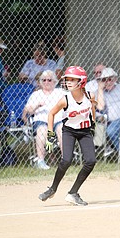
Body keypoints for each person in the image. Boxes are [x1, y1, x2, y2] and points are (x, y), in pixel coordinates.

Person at [38, 66, 97, 206]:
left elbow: (92, 108)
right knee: (66, 160)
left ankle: (73, 193)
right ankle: (52, 189)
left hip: (85, 131)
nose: (68, 82)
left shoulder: (90, 96)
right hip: (69, 131)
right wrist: (51, 133)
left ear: (81, 82)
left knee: (91, 161)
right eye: (67, 79)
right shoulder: (65, 99)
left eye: (72, 79)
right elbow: (51, 114)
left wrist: (93, 123)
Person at [22, 70, 64, 170]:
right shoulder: (36, 94)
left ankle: (65, 160)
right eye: (43, 80)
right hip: (41, 120)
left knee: (62, 129)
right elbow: (27, 111)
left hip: (58, 119)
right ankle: (40, 161)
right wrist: (37, 105)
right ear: (40, 82)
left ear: (54, 81)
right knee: (42, 130)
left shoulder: (60, 92)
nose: (46, 82)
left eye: (49, 80)